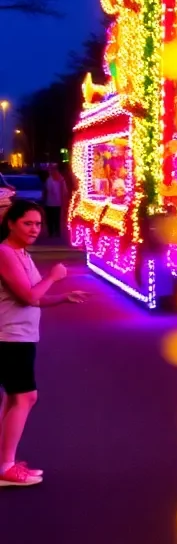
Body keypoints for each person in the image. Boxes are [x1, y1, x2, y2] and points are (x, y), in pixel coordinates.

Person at [0, 199, 89, 487]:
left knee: (16, 397)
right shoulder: (4, 252)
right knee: (25, 397)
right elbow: (28, 295)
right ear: (10, 223)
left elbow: (34, 297)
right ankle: (6, 466)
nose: (35, 229)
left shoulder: (20, 253)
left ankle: (5, 462)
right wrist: (53, 276)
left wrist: (63, 296)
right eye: (27, 223)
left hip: (20, 335)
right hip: (9, 336)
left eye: (38, 224)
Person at [43, 165, 67, 240]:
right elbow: (64, 192)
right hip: (53, 202)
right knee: (53, 218)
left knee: (53, 218)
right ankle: (54, 232)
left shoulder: (57, 180)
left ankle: (54, 232)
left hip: (53, 203)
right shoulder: (58, 180)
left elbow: (46, 191)